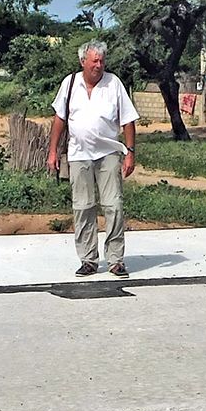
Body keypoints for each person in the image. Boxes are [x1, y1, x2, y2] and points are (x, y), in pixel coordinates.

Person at [48, 42, 139, 277]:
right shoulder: (69, 84)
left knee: (114, 205)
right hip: (79, 154)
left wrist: (130, 151)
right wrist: (53, 151)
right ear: (83, 62)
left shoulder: (114, 83)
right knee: (83, 207)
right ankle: (88, 259)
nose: (99, 65)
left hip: (108, 153)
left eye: (101, 61)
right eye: (94, 61)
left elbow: (128, 120)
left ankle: (116, 260)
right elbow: (59, 120)